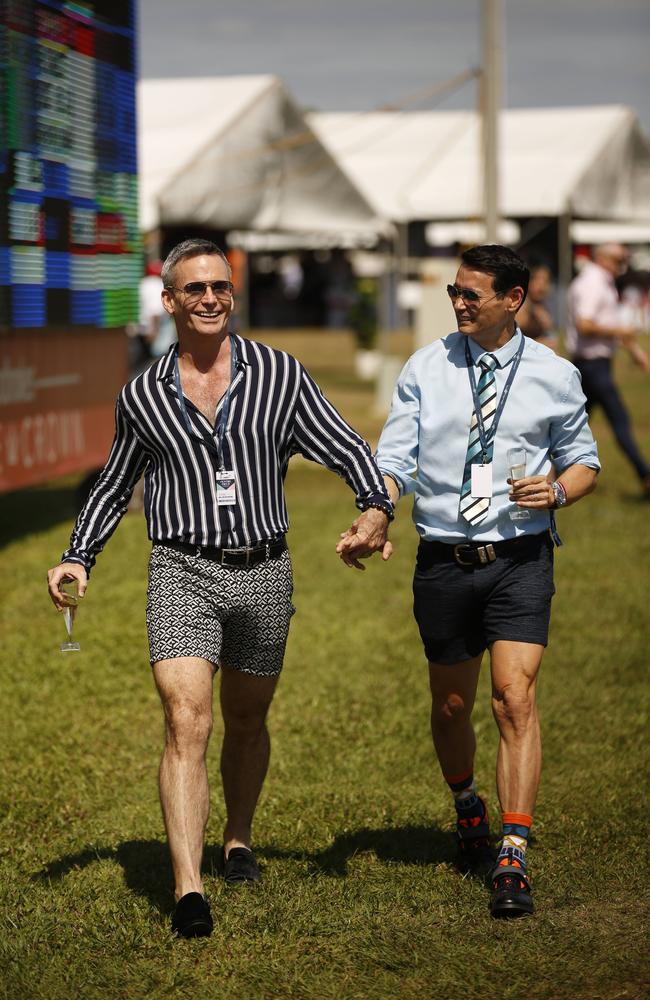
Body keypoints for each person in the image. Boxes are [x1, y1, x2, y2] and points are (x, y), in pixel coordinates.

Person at [47, 238, 394, 939]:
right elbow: (116, 485)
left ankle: (237, 836)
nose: (210, 298)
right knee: (186, 720)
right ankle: (188, 887)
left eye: (220, 287)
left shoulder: (279, 374)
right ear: (169, 300)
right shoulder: (143, 392)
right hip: (182, 568)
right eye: (195, 289)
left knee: (247, 718)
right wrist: (78, 556)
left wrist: (374, 506)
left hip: (266, 570)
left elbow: (346, 445)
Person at [337, 244, 600, 918]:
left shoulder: (555, 374)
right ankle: (466, 806)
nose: (457, 303)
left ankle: (513, 849)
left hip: (520, 559)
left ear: (513, 300)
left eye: (471, 294)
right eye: (455, 291)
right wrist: (376, 509)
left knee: (514, 699)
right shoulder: (426, 367)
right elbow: (394, 454)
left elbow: (584, 462)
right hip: (444, 563)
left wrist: (559, 493)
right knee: (452, 705)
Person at [567, 243, 650, 498]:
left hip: (596, 364)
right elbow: (585, 324)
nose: (622, 265)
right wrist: (620, 333)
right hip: (591, 365)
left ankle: (551, 477)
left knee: (571, 427)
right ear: (602, 258)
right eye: (618, 259)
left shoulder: (602, 282)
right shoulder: (592, 283)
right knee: (619, 420)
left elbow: (607, 322)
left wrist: (635, 352)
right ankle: (646, 476)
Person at [517, 263, 557, 349]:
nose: (542, 286)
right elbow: (511, 342)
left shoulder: (543, 305)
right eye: (538, 280)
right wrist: (538, 343)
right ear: (529, 282)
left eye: (546, 281)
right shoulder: (522, 306)